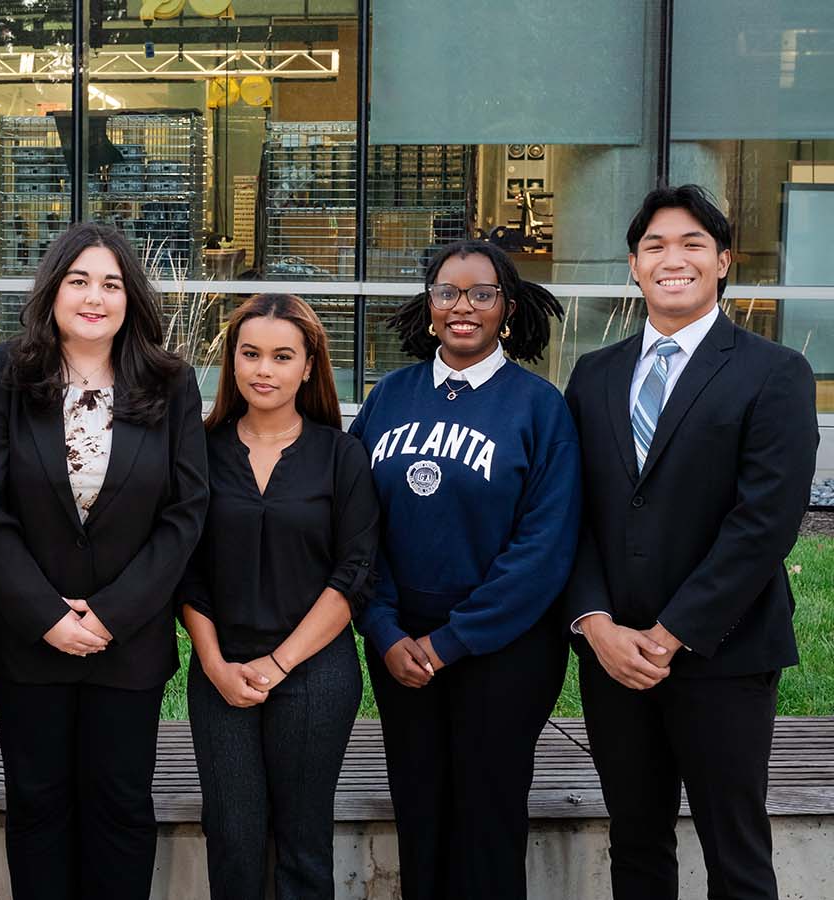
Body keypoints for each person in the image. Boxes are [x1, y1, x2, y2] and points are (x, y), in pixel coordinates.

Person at [563, 185, 818, 900]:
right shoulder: (594, 374)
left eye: (692, 244)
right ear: (635, 268)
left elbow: (764, 522)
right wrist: (594, 623)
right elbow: (570, 513)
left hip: (723, 652)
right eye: (654, 247)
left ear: (724, 261)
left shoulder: (774, 373)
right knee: (635, 843)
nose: (672, 259)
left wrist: (672, 633)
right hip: (613, 658)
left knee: (734, 850)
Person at [0, 222, 209, 900]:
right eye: (78, 281)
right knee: (37, 805)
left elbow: (187, 511)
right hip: (27, 639)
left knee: (121, 806)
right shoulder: (2, 373)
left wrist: (112, 614)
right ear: (52, 289)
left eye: (110, 283)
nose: (93, 297)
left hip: (126, 643)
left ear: (131, 298)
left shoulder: (171, 381)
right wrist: (44, 614)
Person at [348, 239, 581, 900]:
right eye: (448, 291)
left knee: (487, 818)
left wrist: (452, 642)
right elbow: (358, 527)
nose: (463, 306)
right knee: (419, 812)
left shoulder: (539, 408)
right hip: (402, 651)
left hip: (504, 650)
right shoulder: (389, 397)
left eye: (482, 293)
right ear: (429, 306)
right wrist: (386, 630)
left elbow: (545, 548)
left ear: (506, 309)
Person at [179, 294, 377, 900]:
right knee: (232, 839)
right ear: (232, 362)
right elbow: (184, 569)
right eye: (250, 354)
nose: (264, 369)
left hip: (316, 673)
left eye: (282, 356)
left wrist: (280, 663)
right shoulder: (199, 452)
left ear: (309, 365)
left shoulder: (340, 455)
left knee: (303, 843)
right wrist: (214, 664)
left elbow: (355, 572)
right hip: (221, 670)